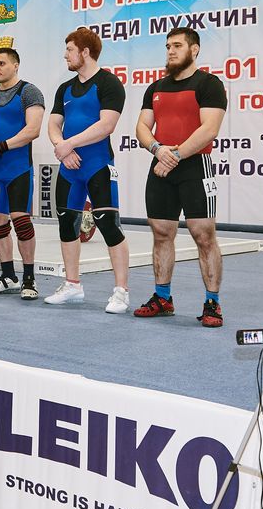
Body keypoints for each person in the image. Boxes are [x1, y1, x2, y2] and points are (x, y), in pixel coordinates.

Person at [133, 27, 228, 326]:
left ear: (194, 49)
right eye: (167, 46)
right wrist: (157, 149)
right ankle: (162, 298)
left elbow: (209, 130)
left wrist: (174, 156)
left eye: (177, 45)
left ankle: (212, 303)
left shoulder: (209, 84)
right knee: (161, 232)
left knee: (204, 235)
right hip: (161, 165)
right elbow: (142, 127)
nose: (171, 51)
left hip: (195, 166)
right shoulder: (156, 87)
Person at [44, 29, 130, 312]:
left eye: (70, 49)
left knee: (108, 225)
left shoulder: (109, 83)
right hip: (69, 168)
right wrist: (62, 146)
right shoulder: (64, 89)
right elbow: (53, 124)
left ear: (85, 52)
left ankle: (121, 292)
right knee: (67, 224)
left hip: (97, 165)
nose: (65, 55)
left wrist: (69, 144)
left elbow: (106, 125)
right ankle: (72, 285)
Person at [0, 48, 45, 300]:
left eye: (2, 63)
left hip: (18, 168)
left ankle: (29, 279)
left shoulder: (29, 92)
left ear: (16, 65)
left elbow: (32, 130)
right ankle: (8, 276)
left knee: (21, 221)